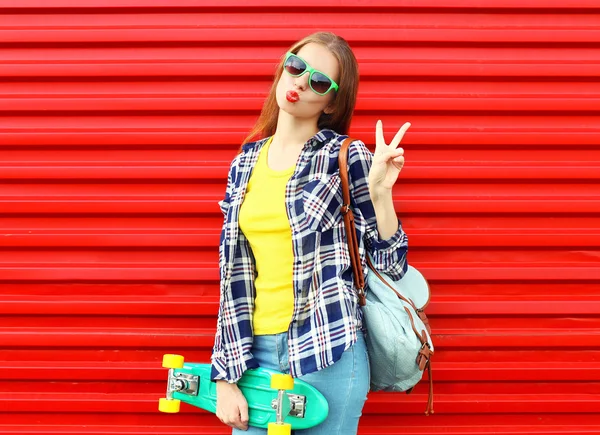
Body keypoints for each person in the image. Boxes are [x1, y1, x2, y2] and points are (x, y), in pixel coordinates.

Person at [211, 31, 410, 434]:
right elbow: (232, 276)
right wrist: (225, 374)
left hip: (328, 348)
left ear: (332, 101)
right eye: (296, 66)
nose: (301, 81)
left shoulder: (345, 155)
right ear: (283, 68)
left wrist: (381, 194)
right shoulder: (244, 163)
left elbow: (392, 263)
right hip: (256, 352)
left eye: (319, 81)